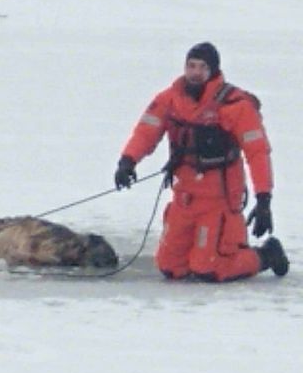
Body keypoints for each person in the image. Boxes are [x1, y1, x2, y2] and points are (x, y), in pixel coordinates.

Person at [114, 42, 289, 281]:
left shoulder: (235, 106)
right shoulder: (170, 99)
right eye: (191, 66)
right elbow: (147, 130)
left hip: (219, 201)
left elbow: (258, 153)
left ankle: (266, 255)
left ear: (213, 71)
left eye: (202, 67)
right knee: (170, 267)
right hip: (184, 197)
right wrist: (128, 161)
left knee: (208, 269)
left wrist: (263, 200)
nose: (195, 72)